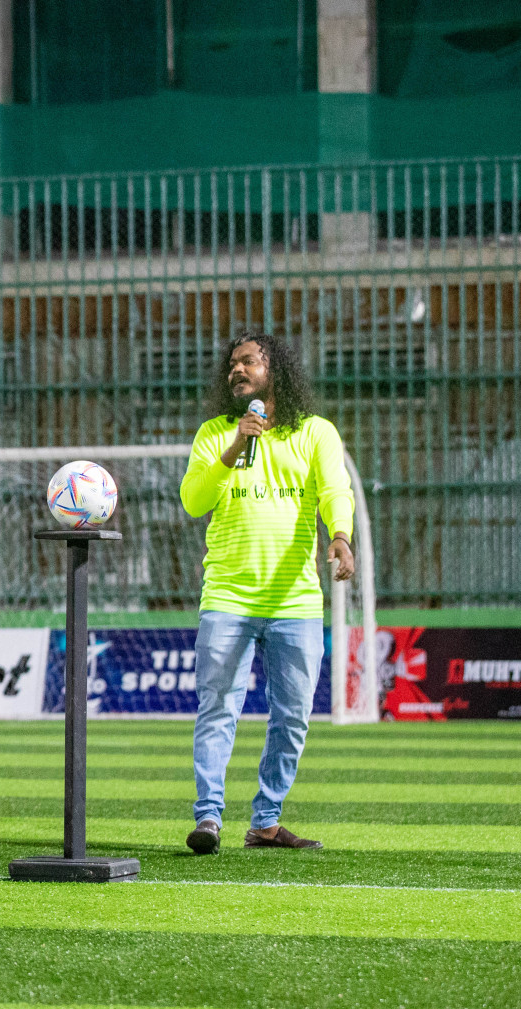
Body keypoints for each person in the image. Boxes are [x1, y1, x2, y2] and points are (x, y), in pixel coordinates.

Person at [180, 330, 355, 855]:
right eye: (232, 363)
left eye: (248, 361)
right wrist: (237, 444)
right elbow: (193, 501)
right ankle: (208, 818)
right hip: (228, 597)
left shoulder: (316, 432)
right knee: (217, 710)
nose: (236, 370)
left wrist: (341, 537)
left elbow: (334, 490)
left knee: (293, 716)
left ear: (274, 369)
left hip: (295, 601)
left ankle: (266, 822)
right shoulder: (215, 434)